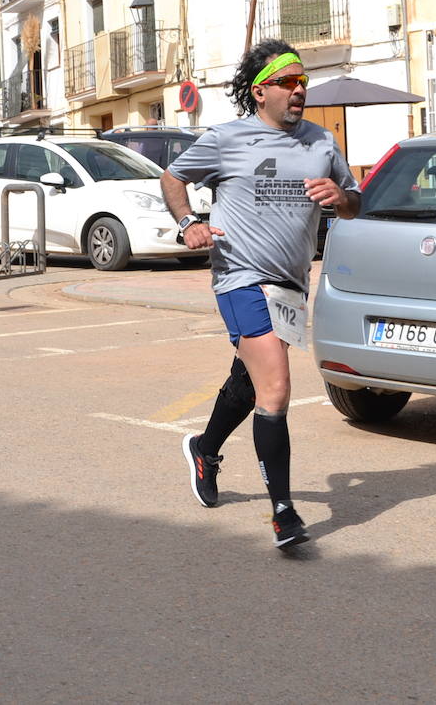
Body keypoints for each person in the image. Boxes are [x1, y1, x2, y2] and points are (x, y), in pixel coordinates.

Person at [161, 40, 362, 548]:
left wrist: (342, 197)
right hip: (239, 276)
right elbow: (173, 176)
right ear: (260, 91)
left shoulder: (322, 142)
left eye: (303, 84)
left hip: (291, 285)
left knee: (250, 384)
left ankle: (205, 449)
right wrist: (189, 223)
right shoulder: (228, 138)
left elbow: (357, 201)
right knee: (276, 388)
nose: (299, 92)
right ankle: (284, 513)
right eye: (288, 83)